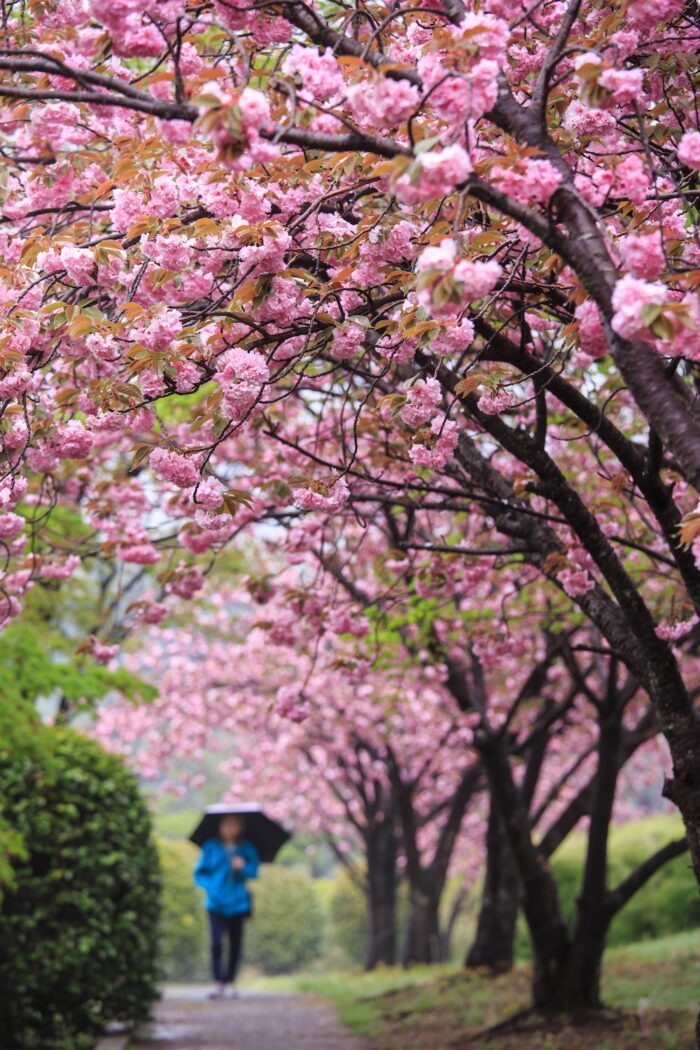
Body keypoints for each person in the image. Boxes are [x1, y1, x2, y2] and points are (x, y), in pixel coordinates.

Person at [194, 814, 259, 999]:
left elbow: (254, 871)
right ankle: (217, 981)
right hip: (215, 902)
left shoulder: (246, 848)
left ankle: (230, 980)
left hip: (239, 903)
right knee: (216, 943)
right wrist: (211, 887)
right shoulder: (211, 847)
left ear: (241, 827)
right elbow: (200, 873)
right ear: (220, 826)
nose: (230, 828)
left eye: (234, 824)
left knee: (235, 943)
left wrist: (242, 867)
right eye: (227, 824)